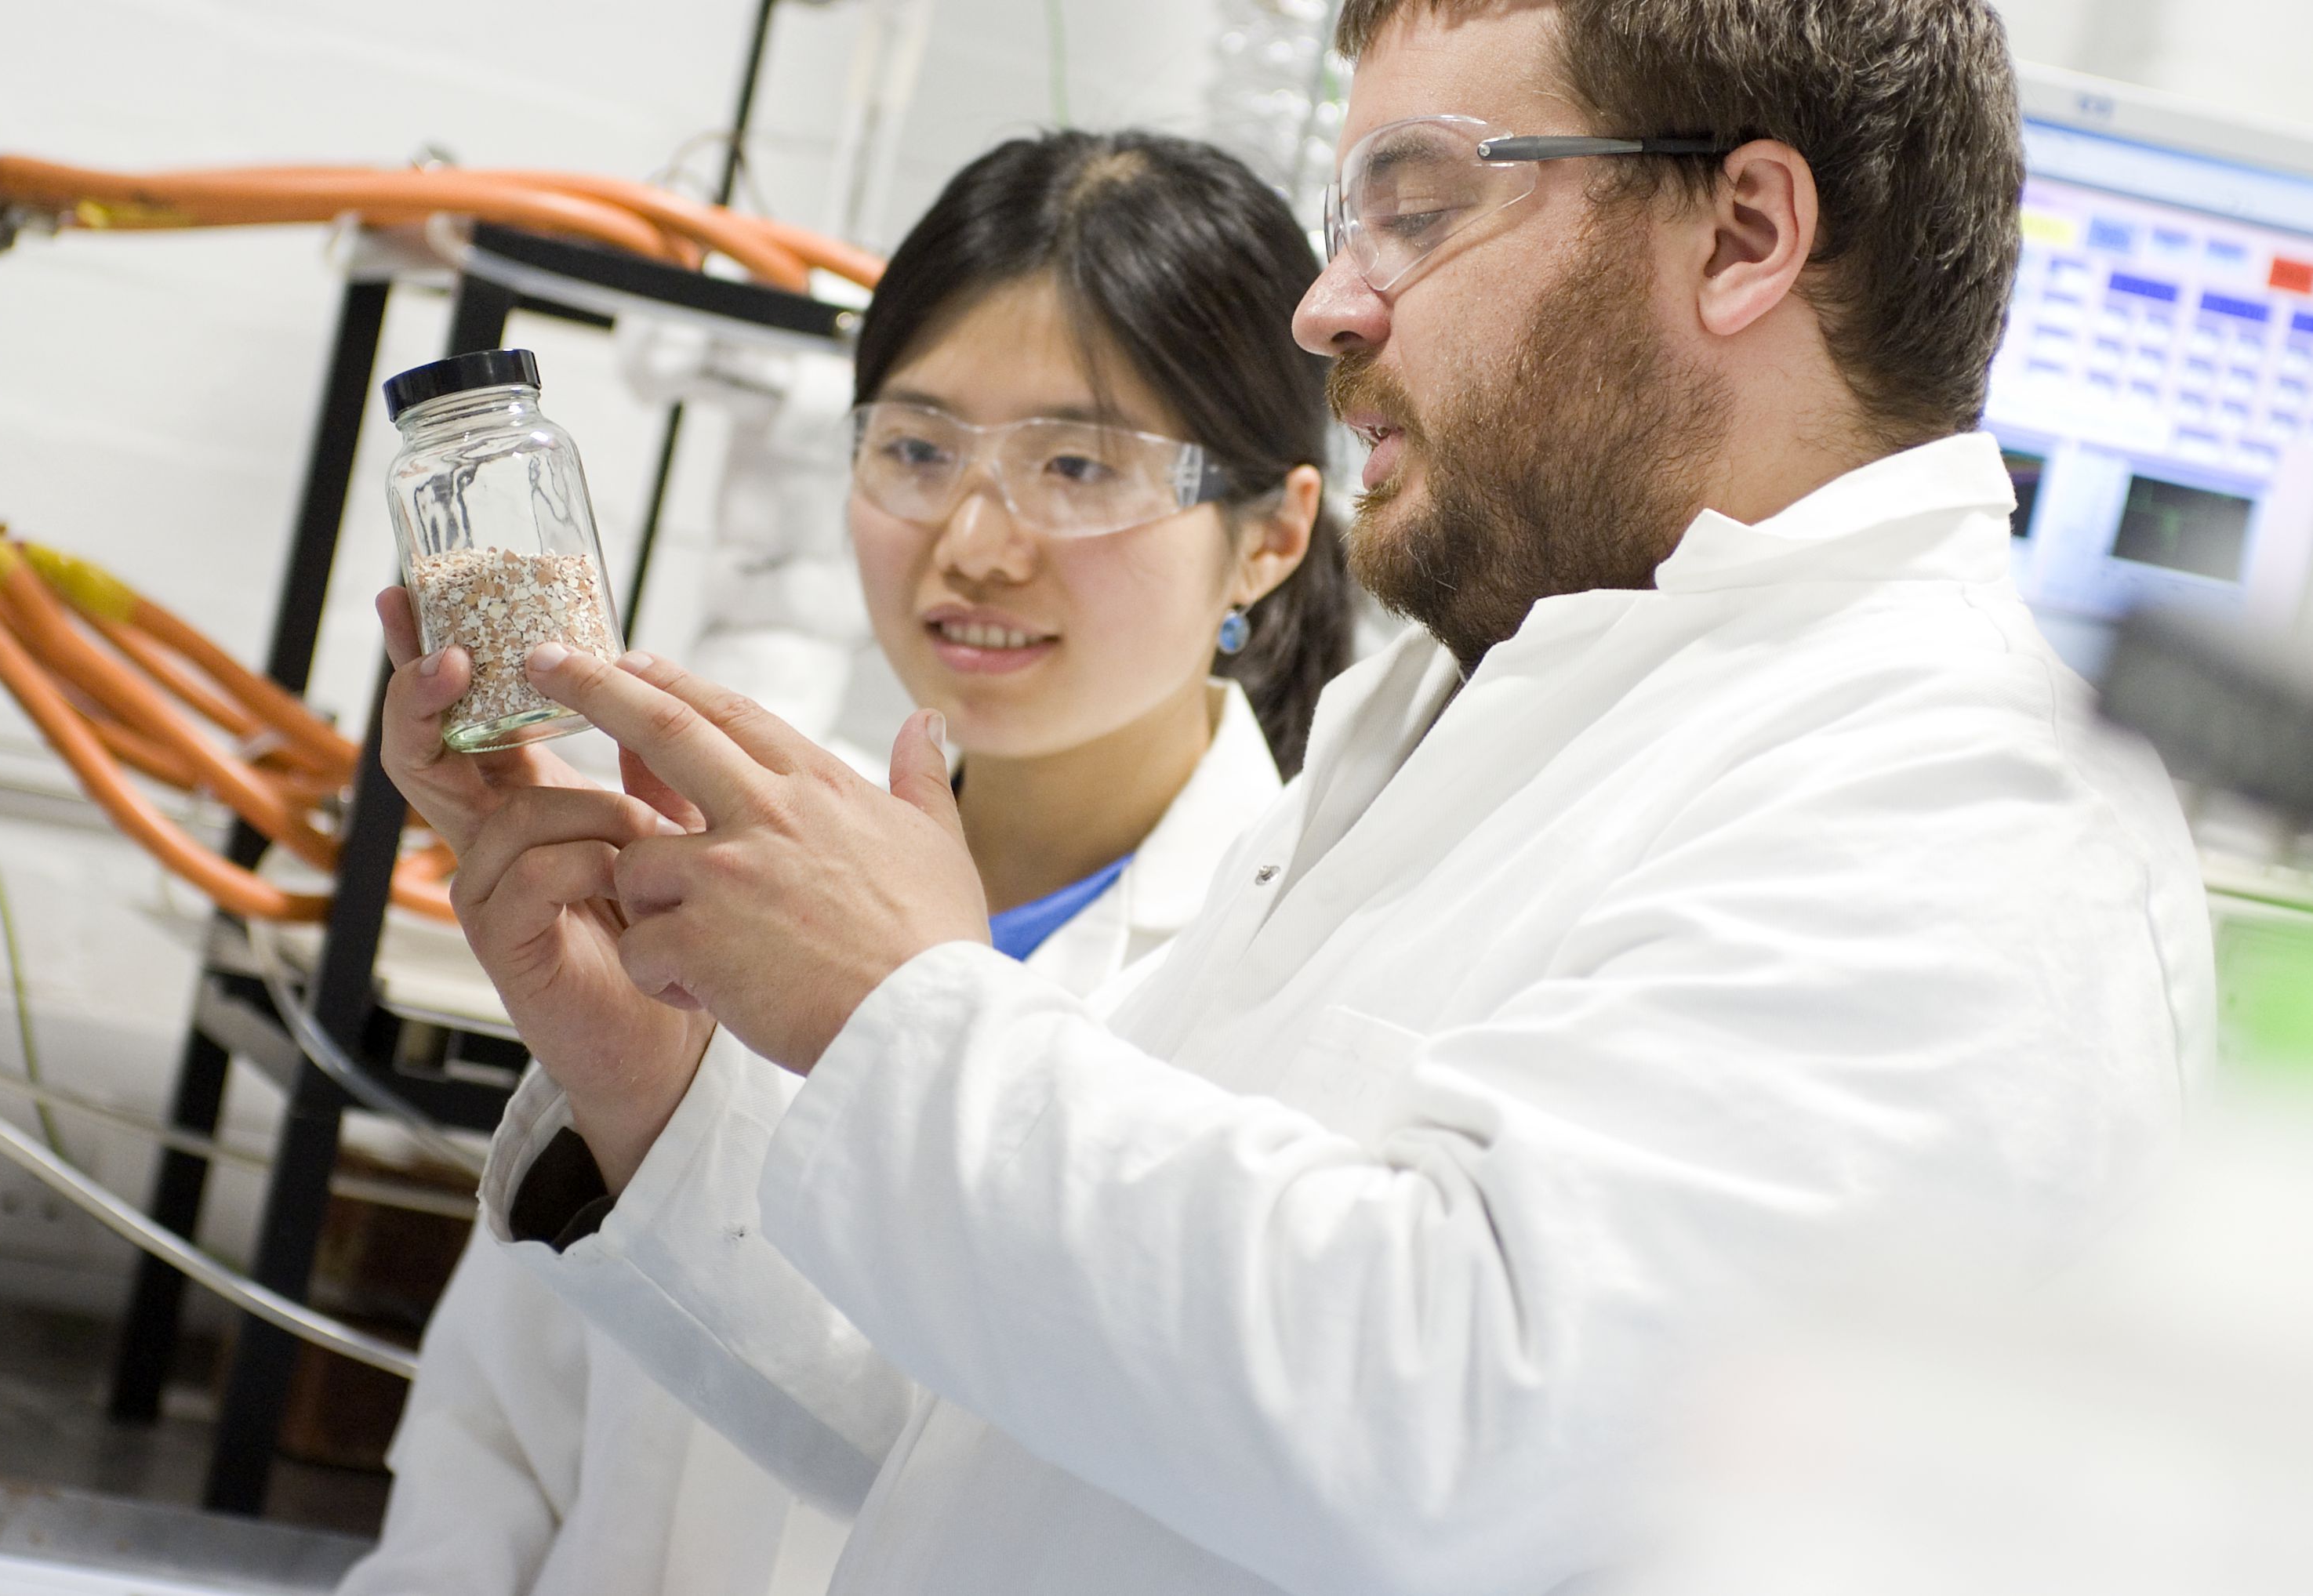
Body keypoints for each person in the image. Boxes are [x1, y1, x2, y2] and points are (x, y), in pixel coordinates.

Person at [394, 0, 2219, 1591]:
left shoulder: (1961, 809)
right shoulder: (1469, 696)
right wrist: (659, 1077)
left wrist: (895, 1012)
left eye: (1417, 208)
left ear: (1742, 231)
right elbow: (1034, 1412)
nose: (1328, 301)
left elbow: (1447, 1431)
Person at [337, 129, 1351, 1596]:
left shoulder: (1299, 977)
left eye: (1079, 463)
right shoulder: (717, 870)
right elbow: (488, 1443)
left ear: (1270, 536)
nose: (975, 543)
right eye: (919, 449)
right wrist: (635, 1080)